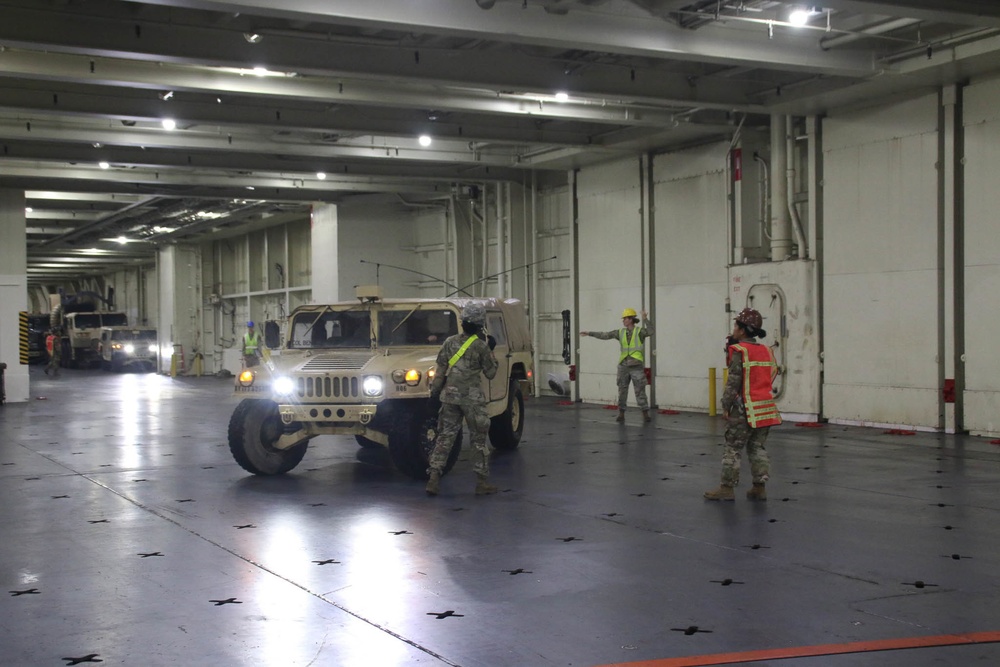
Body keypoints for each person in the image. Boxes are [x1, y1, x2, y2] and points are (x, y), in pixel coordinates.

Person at [704, 308, 782, 501]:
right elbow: (772, 374)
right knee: (757, 447)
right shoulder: (766, 350)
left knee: (733, 447)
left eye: (736, 325)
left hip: (745, 408)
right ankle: (759, 486)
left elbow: (733, 381)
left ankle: (727, 488)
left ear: (742, 329)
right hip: (765, 407)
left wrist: (725, 405)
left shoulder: (740, 351)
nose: (734, 328)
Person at [425, 302, 499, 497]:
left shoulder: (449, 342)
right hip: (472, 399)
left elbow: (440, 370)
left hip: (449, 396)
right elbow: (490, 373)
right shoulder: (481, 346)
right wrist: (491, 350)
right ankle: (482, 482)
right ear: (480, 325)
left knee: (445, 437)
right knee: (478, 439)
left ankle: (433, 478)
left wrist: (434, 394)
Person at [581, 307, 653, 423]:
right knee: (622, 390)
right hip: (623, 365)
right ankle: (621, 414)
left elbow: (651, 331)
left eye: (625, 318)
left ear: (631, 319)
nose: (623, 321)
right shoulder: (620, 332)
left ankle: (645, 414)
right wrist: (590, 333)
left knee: (640, 390)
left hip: (636, 366)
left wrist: (645, 319)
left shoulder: (640, 332)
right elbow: (605, 335)